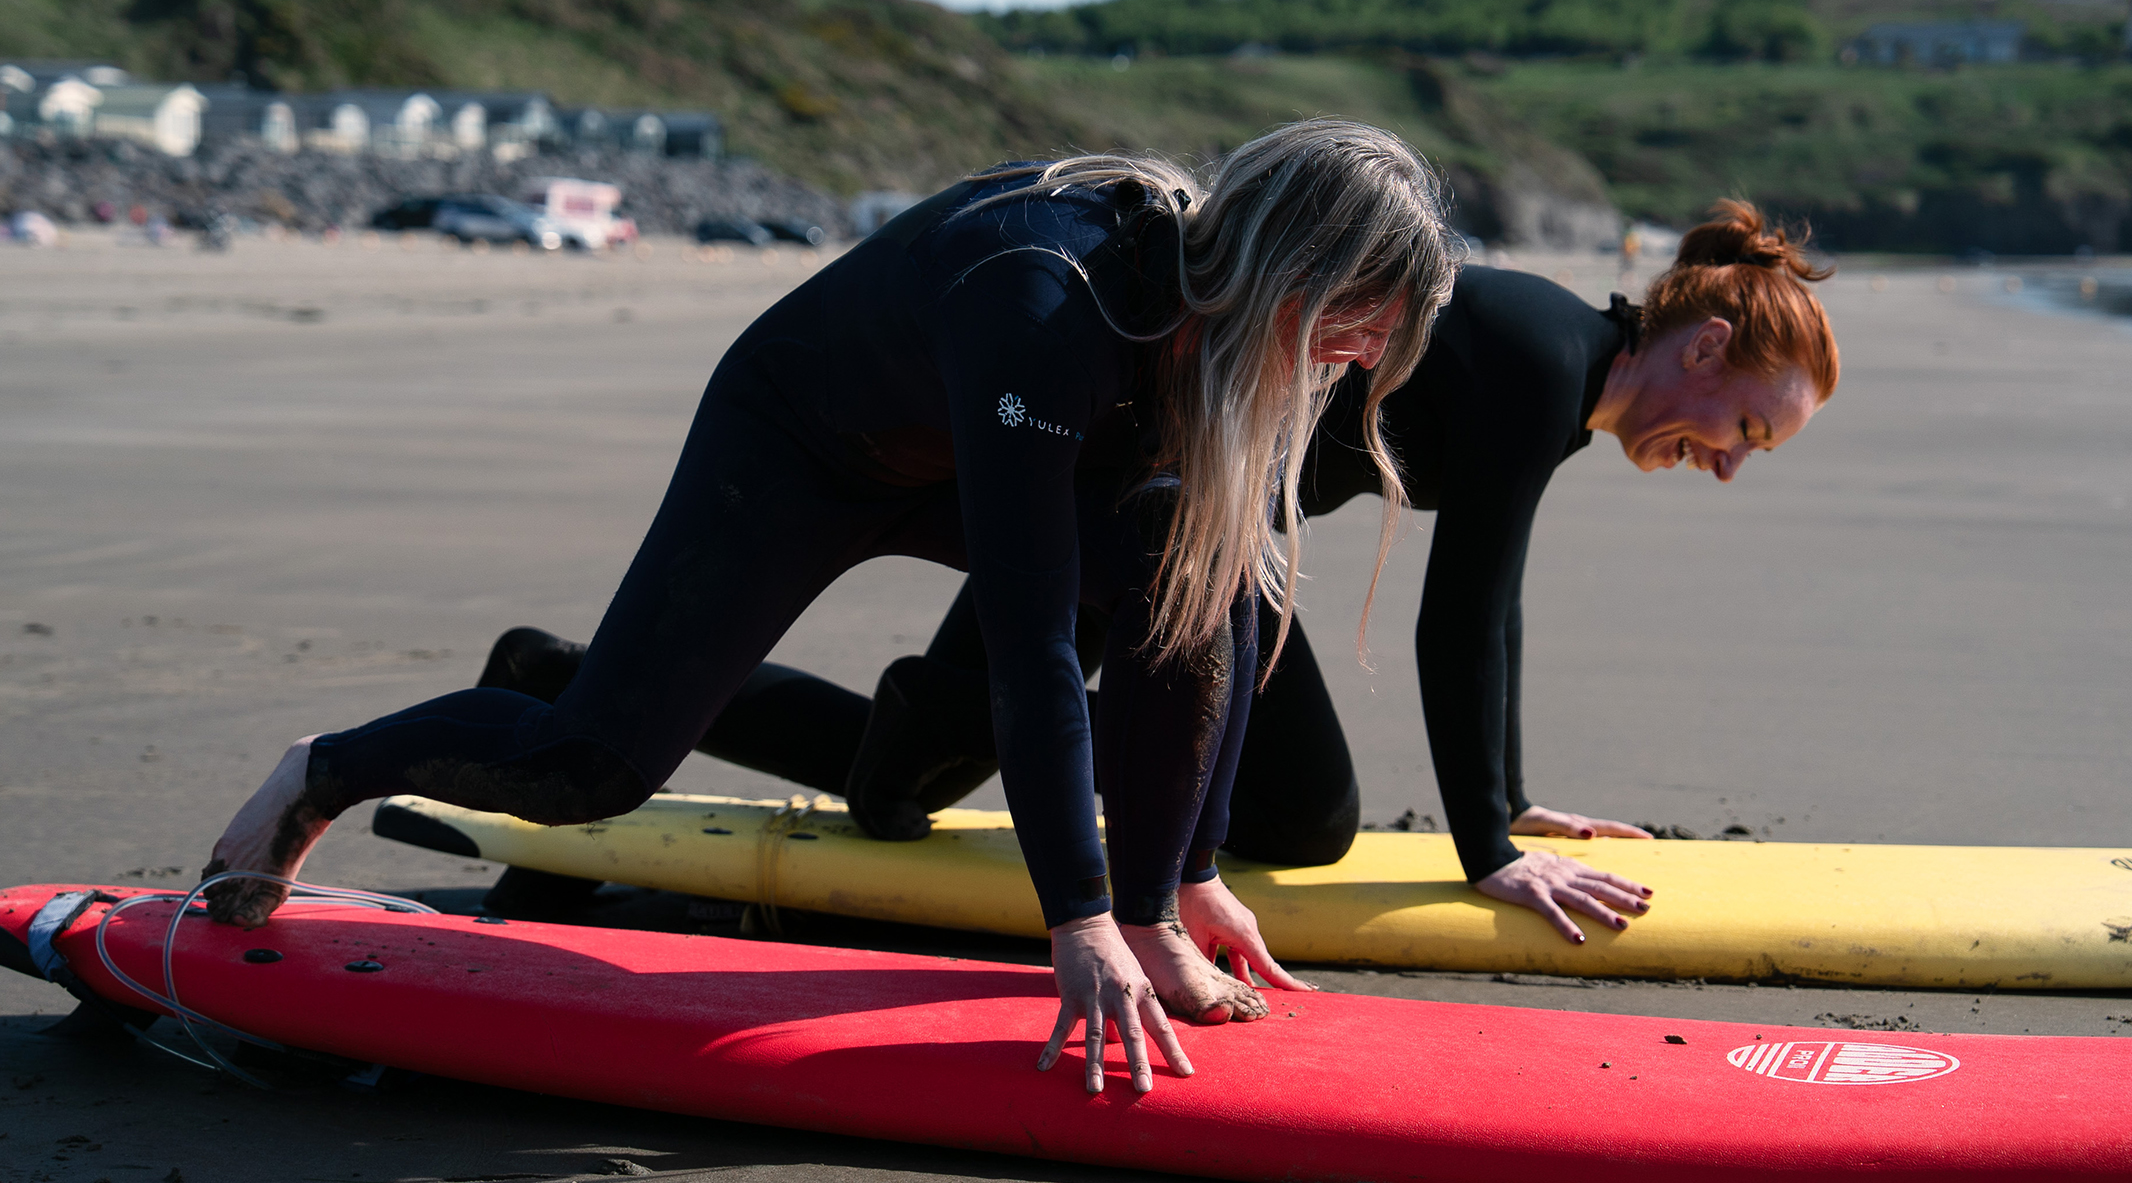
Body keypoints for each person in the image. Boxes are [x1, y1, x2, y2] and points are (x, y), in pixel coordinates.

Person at [200, 119, 1460, 1094]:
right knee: (592, 763)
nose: (1350, 363)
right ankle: (323, 771)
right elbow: (1029, 645)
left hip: (965, 456)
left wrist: (1183, 879)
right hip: (803, 446)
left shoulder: (1203, 324)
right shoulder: (1048, 305)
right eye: (1351, 329)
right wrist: (1072, 917)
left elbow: (1214, 619)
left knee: (1195, 569)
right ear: (1286, 270)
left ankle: (1159, 907)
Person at [482, 199, 1839, 948]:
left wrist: (1517, 794)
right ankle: (562, 684)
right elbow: (1464, 619)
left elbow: (1497, 614)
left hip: (1208, 553)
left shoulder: (1560, 375)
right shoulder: (1546, 358)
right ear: (1704, 346)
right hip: (1120, 512)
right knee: (897, 792)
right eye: (1746, 432)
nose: (1728, 462)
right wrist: (1488, 851)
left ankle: (991, 742)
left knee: (1302, 817)